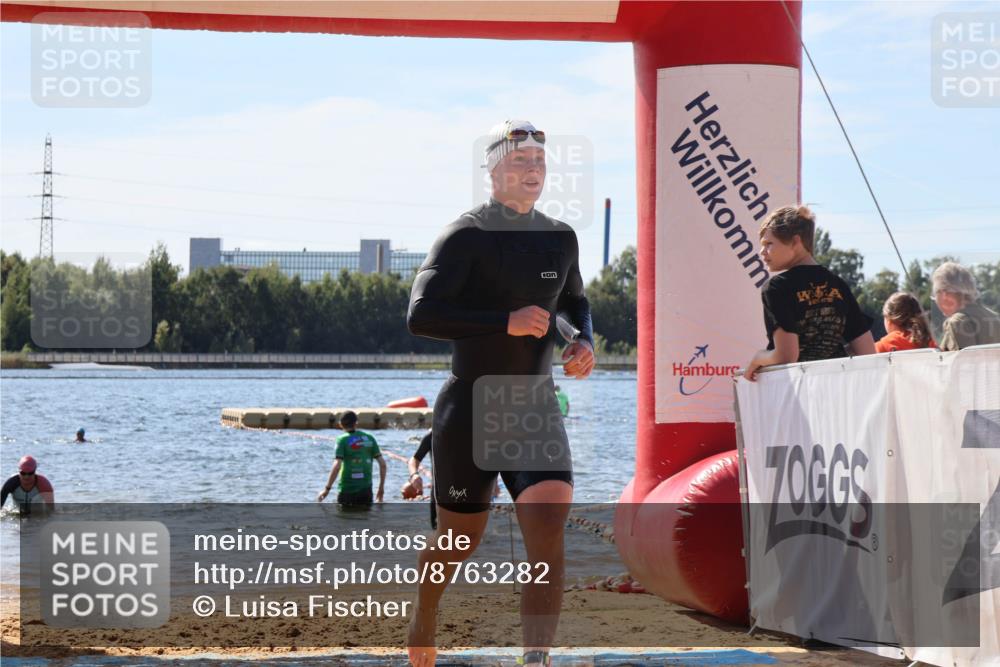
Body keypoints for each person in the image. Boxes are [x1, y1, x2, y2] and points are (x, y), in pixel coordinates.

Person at [405, 119, 594, 667]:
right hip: (470, 406)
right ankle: (424, 613)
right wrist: (502, 321)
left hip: (534, 405)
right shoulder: (464, 235)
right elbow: (421, 315)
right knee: (459, 540)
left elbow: (573, 302)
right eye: (519, 161)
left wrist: (582, 339)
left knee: (547, 525)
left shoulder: (560, 237)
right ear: (492, 171)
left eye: (539, 162)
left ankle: (536, 658)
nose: (532, 170)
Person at [745, 205, 875, 381]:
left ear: (796, 242)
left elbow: (786, 356)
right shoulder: (838, 285)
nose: (762, 252)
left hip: (796, 390)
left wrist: (758, 358)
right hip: (837, 387)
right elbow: (867, 352)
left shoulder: (777, 287)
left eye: (769, 244)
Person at [316, 411, 386, 506]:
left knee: (344, 515)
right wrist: (381, 488)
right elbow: (382, 464)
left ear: (340, 424)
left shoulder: (342, 440)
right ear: (356, 423)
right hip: (366, 491)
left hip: (346, 489)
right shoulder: (369, 438)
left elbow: (337, 466)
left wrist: (327, 489)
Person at [931, 261, 1000, 351]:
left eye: (935, 294)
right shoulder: (993, 316)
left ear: (944, 294)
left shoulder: (957, 322)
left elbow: (961, 359)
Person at [402, 429, 437, 529]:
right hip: (438, 495)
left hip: (465, 493)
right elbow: (415, 459)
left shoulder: (471, 432)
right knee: (438, 532)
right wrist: (414, 475)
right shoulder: (432, 434)